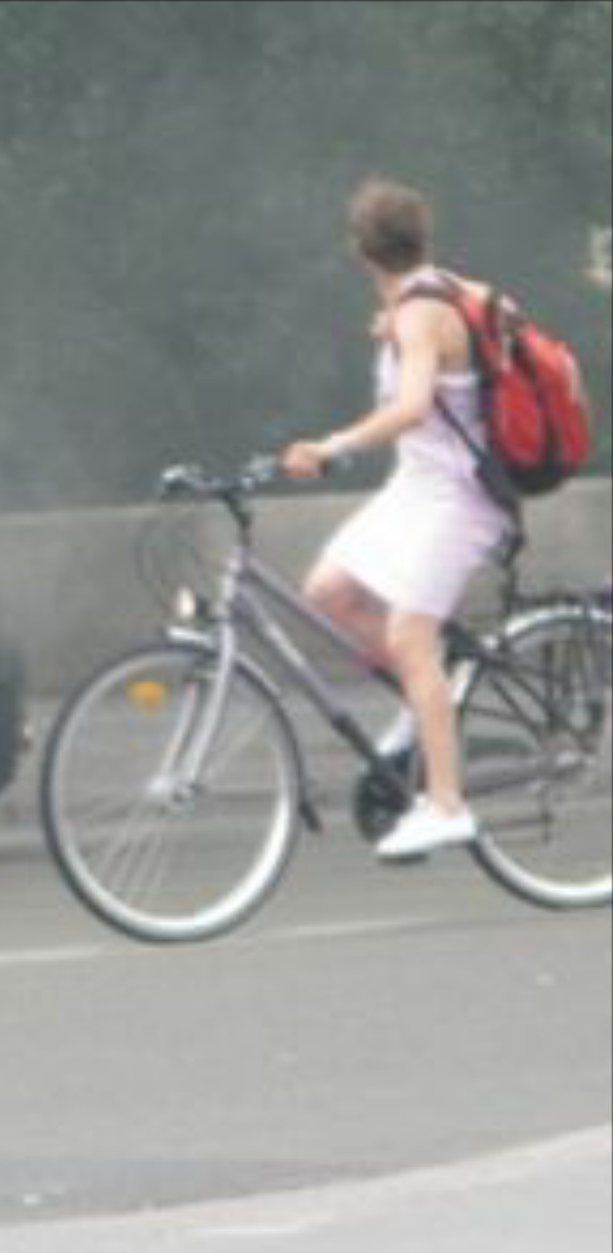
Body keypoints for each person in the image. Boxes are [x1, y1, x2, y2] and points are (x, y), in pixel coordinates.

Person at [281, 178, 517, 862]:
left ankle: (446, 806)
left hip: (460, 498)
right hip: (415, 487)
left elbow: (412, 408)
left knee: (409, 638)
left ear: (359, 251)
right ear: (421, 238)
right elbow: (500, 312)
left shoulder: (420, 311)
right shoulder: (440, 291)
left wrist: (332, 447)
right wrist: (416, 333)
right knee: (329, 591)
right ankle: (426, 700)